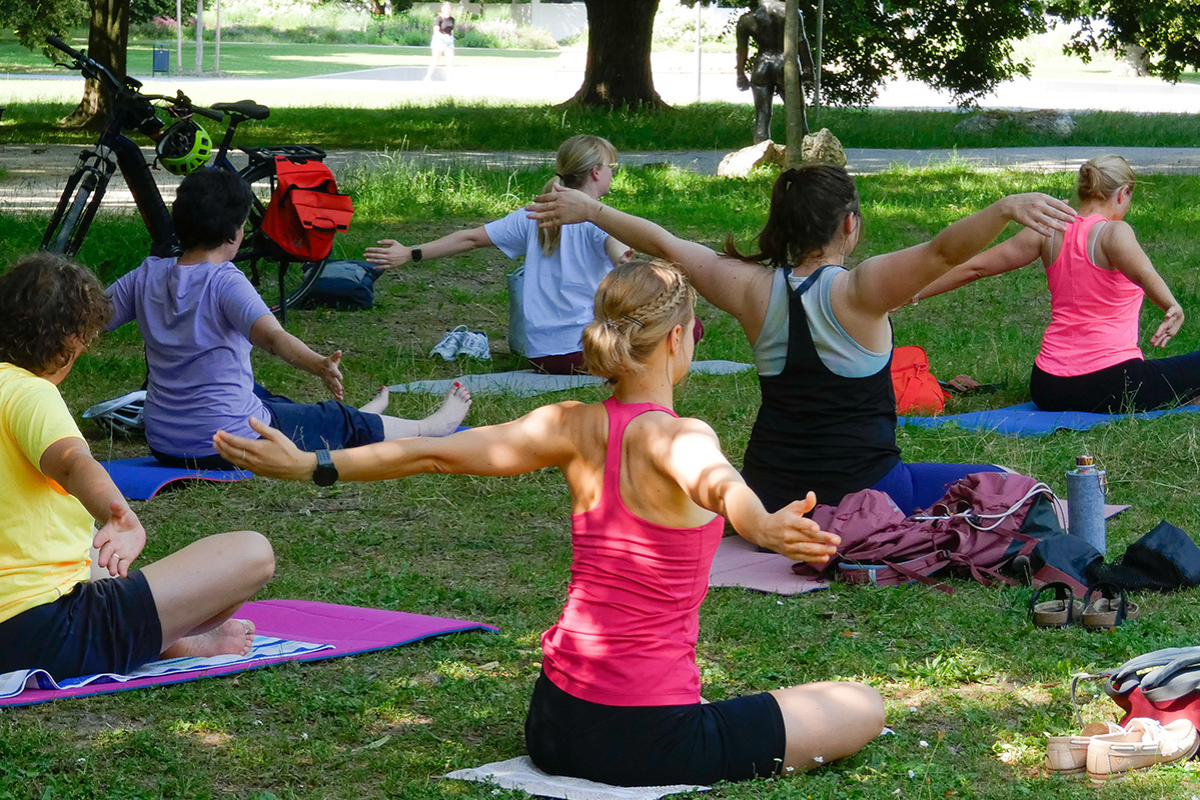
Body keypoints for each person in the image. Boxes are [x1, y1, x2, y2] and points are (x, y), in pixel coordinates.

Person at [214, 261, 885, 787]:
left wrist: (312, 466)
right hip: (646, 740)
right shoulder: (679, 434)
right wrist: (760, 525)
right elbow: (712, 477)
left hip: (556, 722)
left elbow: (433, 452)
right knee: (862, 704)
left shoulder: (569, 425)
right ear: (678, 338)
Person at [527, 164, 1077, 512]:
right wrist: (1004, 208)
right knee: (1012, 485)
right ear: (848, 225)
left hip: (769, 492)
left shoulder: (747, 286)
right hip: (869, 495)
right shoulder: (860, 290)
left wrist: (591, 208)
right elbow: (941, 253)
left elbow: (665, 242)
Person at [0, 253, 275, 679]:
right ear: (71, 343)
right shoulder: (28, 392)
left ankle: (165, 634)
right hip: (41, 631)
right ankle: (168, 639)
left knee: (91, 543)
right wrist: (119, 512)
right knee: (253, 552)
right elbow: (74, 462)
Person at [106, 168, 471, 470]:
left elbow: (91, 317)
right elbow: (274, 339)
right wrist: (319, 365)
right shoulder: (224, 281)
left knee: (262, 397)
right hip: (225, 447)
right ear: (235, 234)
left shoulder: (147, 274)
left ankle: (351, 418)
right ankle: (430, 427)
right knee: (333, 420)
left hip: (165, 442)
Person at [916, 154, 1196, 413]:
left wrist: (910, 292)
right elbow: (1144, 274)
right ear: (1123, 193)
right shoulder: (1114, 232)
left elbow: (974, 268)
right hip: (1113, 386)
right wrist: (1171, 304)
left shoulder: (1049, 230)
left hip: (1048, 387)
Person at [365, 134, 636, 375]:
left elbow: (470, 238)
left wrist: (411, 253)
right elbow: (621, 255)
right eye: (611, 167)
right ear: (596, 172)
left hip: (540, 356)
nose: (613, 173)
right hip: (587, 354)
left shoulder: (532, 215)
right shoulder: (604, 222)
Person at [735, 0, 815, 144]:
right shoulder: (790, 12)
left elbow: (742, 50)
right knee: (798, 113)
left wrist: (740, 74)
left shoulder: (747, 19)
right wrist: (809, 69)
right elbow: (802, 41)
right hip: (786, 63)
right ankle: (803, 151)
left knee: (762, 114)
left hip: (762, 65)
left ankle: (760, 153)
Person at [424, 2, 456, 81]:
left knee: (450, 60)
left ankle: (450, 78)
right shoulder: (439, 19)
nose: (447, 10)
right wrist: (443, 36)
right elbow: (436, 31)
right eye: (446, 8)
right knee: (435, 61)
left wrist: (451, 37)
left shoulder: (452, 19)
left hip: (449, 40)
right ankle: (428, 77)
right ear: (442, 9)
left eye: (449, 8)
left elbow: (451, 30)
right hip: (439, 40)